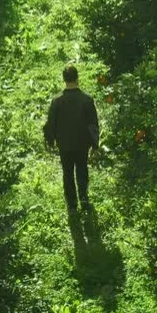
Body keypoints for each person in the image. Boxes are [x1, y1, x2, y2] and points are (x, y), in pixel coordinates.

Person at [43, 65, 100, 214]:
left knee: (67, 173)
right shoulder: (86, 100)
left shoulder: (57, 101)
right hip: (82, 144)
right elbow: (93, 124)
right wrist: (95, 145)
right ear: (77, 78)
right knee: (82, 170)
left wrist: (50, 141)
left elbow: (51, 123)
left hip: (65, 144)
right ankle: (84, 198)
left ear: (64, 79)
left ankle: (72, 205)